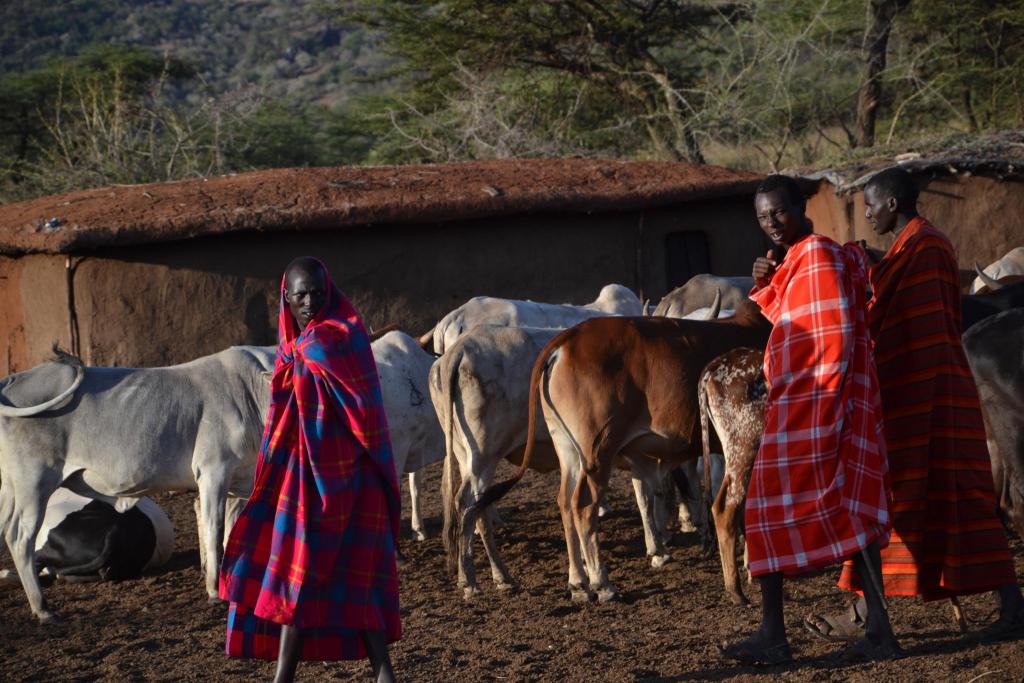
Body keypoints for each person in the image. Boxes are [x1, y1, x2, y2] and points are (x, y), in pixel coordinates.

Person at [804, 167, 1023, 643]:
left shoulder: (926, 248)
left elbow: (906, 322)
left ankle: (1008, 606)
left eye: (869, 206)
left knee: (937, 498)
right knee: (906, 500)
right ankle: (866, 611)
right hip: (919, 395)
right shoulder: (915, 246)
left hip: (930, 395)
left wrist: (868, 284)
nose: (865, 214)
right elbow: (891, 295)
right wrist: (874, 265)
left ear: (892, 205)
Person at [717, 174, 898, 665]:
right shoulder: (797, 258)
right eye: (761, 217)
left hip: (818, 402)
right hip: (802, 401)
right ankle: (862, 629)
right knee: (830, 508)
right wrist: (767, 277)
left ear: (800, 207)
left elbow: (831, 334)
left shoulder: (815, 255)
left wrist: (828, 403)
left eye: (779, 212)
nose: (771, 224)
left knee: (783, 510)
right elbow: (793, 320)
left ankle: (787, 634)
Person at [219, 256, 402, 683]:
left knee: (331, 578)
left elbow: (364, 417)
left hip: (350, 479)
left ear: (329, 292)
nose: (309, 302)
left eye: (317, 293)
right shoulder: (295, 346)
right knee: (303, 574)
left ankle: (345, 675)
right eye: (300, 294)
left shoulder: (336, 339)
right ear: (285, 297)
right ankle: (375, 674)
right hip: (305, 476)